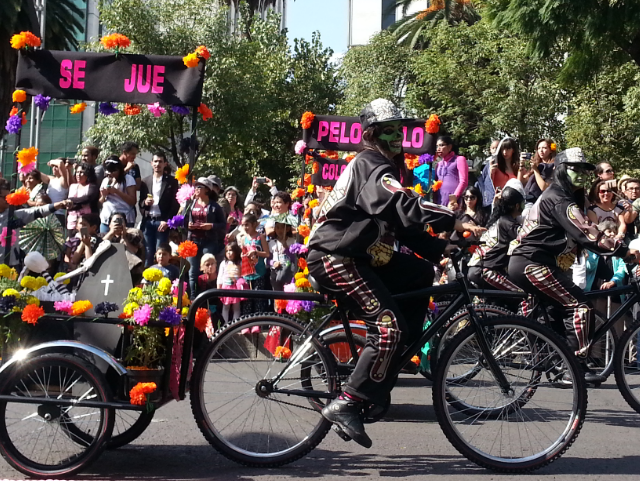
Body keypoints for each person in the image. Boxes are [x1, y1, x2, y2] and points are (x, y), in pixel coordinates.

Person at [306, 98, 483, 448]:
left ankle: (389, 362)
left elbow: (405, 229)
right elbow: (402, 203)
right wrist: (453, 219)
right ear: (372, 134)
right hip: (335, 256)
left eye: (400, 129)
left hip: (358, 256)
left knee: (419, 273)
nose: (398, 136)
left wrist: (443, 249)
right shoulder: (370, 164)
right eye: (390, 130)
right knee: (388, 328)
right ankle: (348, 401)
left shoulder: (383, 167)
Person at [508, 148, 640, 384]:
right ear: (560, 169)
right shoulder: (559, 199)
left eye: (584, 170)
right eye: (574, 168)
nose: (581, 173)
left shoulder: (562, 196)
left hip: (536, 263)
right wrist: (625, 252)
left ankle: (555, 363)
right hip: (532, 263)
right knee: (580, 307)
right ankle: (573, 367)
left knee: (557, 313)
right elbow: (586, 233)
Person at [468, 185, 524, 294]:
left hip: (477, 269)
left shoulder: (497, 220)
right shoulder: (507, 223)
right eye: (522, 204)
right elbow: (527, 237)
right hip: (485, 270)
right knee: (522, 294)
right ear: (517, 206)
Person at [0, 178, 68, 267]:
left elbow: (38, 211)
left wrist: (59, 204)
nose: (7, 199)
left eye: (8, 196)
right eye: (4, 197)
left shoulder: (14, 214)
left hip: (13, 264)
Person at [186, 177, 226, 297]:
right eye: (195, 186)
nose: (196, 189)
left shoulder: (215, 206)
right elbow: (181, 220)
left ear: (207, 190)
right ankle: (193, 299)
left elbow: (223, 225)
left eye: (199, 187)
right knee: (193, 272)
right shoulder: (190, 204)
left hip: (209, 242)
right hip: (193, 241)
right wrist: (187, 225)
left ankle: (208, 298)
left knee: (208, 270)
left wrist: (211, 226)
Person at [139, 152, 179, 266]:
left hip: (162, 222)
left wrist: (167, 221)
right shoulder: (145, 181)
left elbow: (175, 204)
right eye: (155, 161)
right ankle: (148, 276)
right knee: (147, 253)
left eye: (160, 162)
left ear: (165, 164)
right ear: (151, 163)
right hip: (148, 221)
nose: (158, 164)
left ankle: (159, 275)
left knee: (160, 252)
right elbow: (140, 203)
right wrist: (145, 203)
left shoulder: (171, 181)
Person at [238, 213, 270, 316]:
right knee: (247, 300)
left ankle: (258, 321)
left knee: (258, 299)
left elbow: (267, 254)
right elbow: (242, 253)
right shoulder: (243, 238)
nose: (245, 227)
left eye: (247, 225)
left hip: (259, 273)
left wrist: (256, 252)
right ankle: (247, 321)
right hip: (247, 274)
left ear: (254, 224)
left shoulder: (260, 237)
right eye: (243, 225)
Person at [99, 157, 137, 232]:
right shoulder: (105, 180)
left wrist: (117, 191)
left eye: (113, 171)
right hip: (107, 217)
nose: (110, 173)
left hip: (125, 217)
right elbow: (100, 201)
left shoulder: (128, 179)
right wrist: (104, 195)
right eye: (108, 171)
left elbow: (133, 201)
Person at [434, 135, 468, 206]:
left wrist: (454, 199)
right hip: (440, 201)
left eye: (441, 145)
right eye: (437, 146)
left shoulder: (459, 159)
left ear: (449, 147)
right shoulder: (439, 164)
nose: (438, 149)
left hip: (454, 203)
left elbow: (463, 181)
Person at [216, 244, 246, 322]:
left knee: (236, 307)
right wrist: (219, 288)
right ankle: (225, 325)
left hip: (236, 288)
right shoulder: (223, 263)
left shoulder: (240, 263)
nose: (229, 253)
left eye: (231, 250)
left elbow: (244, 275)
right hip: (226, 287)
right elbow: (220, 277)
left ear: (236, 251)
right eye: (227, 251)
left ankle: (235, 324)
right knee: (226, 307)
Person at [66, 163, 99, 233]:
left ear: (88, 174)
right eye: (77, 172)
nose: (78, 174)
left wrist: (71, 200)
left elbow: (87, 199)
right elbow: (68, 205)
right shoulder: (72, 186)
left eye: (81, 172)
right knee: (72, 239)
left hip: (86, 223)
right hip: (72, 221)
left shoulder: (92, 186)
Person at [268, 214, 297, 291]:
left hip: (289, 272)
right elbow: (267, 259)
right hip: (275, 273)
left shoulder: (293, 241)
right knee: (277, 295)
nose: (280, 230)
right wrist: (273, 263)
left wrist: (286, 248)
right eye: (277, 227)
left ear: (287, 229)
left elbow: (295, 258)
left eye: (282, 228)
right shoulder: (271, 243)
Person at [523, 138, 556, 205]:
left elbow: (544, 187)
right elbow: (522, 181)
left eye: (544, 148)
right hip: (527, 200)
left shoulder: (554, 166)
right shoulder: (537, 165)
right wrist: (521, 166)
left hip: (541, 203)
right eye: (539, 148)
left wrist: (535, 170)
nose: (541, 150)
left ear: (551, 150)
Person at [39, 158, 70, 227]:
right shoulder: (51, 179)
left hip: (58, 214)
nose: (54, 168)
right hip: (48, 213)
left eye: (56, 166)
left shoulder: (64, 179)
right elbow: (37, 174)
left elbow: (60, 163)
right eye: (53, 166)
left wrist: (51, 162)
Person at [476, 139, 500, 209]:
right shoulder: (486, 163)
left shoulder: (506, 162)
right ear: (490, 150)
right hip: (489, 196)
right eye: (493, 148)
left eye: (497, 147)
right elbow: (483, 180)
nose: (495, 150)